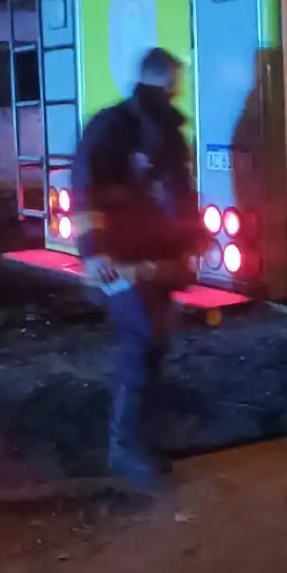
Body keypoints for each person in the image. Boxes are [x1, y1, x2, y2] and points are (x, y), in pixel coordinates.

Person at [72, 48, 209, 487]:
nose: (179, 89)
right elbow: (85, 192)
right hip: (121, 262)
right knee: (142, 340)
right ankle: (125, 450)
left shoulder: (166, 129)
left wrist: (193, 243)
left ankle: (140, 440)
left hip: (158, 260)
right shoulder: (113, 128)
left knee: (154, 347)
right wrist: (94, 251)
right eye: (176, 81)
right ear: (166, 80)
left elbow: (180, 194)